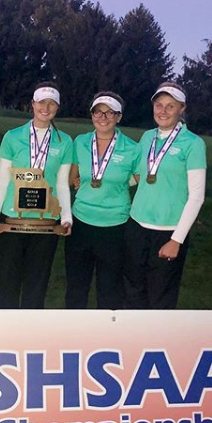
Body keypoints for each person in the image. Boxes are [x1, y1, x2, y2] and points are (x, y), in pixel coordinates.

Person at [0, 82, 73, 309]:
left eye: (52, 103)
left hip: (45, 222)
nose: (46, 107)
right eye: (41, 102)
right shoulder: (13, 136)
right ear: (32, 104)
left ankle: (31, 335)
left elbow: (63, 184)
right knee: (8, 283)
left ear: (57, 107)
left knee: (37, 284)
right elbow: (4, 180)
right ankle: (7, 334)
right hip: (12, 218)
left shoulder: (65, 141)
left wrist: (67, 218)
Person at [124, 82, 206, 309]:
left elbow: (197, 195)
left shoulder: (193, 144)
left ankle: (156, 342)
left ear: (182, 108)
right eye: (159, 105)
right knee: (132, 290)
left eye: (170, 106)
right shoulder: (147, 137)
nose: (163, 111)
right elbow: (140, 176)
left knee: (160, 297)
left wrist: (176, 240)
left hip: (168, 232)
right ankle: (133, 342)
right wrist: (103, 184)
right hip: (137, 225)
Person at [65, 92, 140, 310]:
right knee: (76, 287)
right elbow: (73, 177)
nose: (103, 117)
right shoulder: (80, 142)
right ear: (92, 115)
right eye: (98, 111)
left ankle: (105, 337)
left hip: (114, 226)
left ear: (119, 117)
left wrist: (118, 184)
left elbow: (140, 177)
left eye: (110, 113)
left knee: (110, 290)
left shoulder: (132, 148)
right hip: (81, 223)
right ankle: (73, 335)